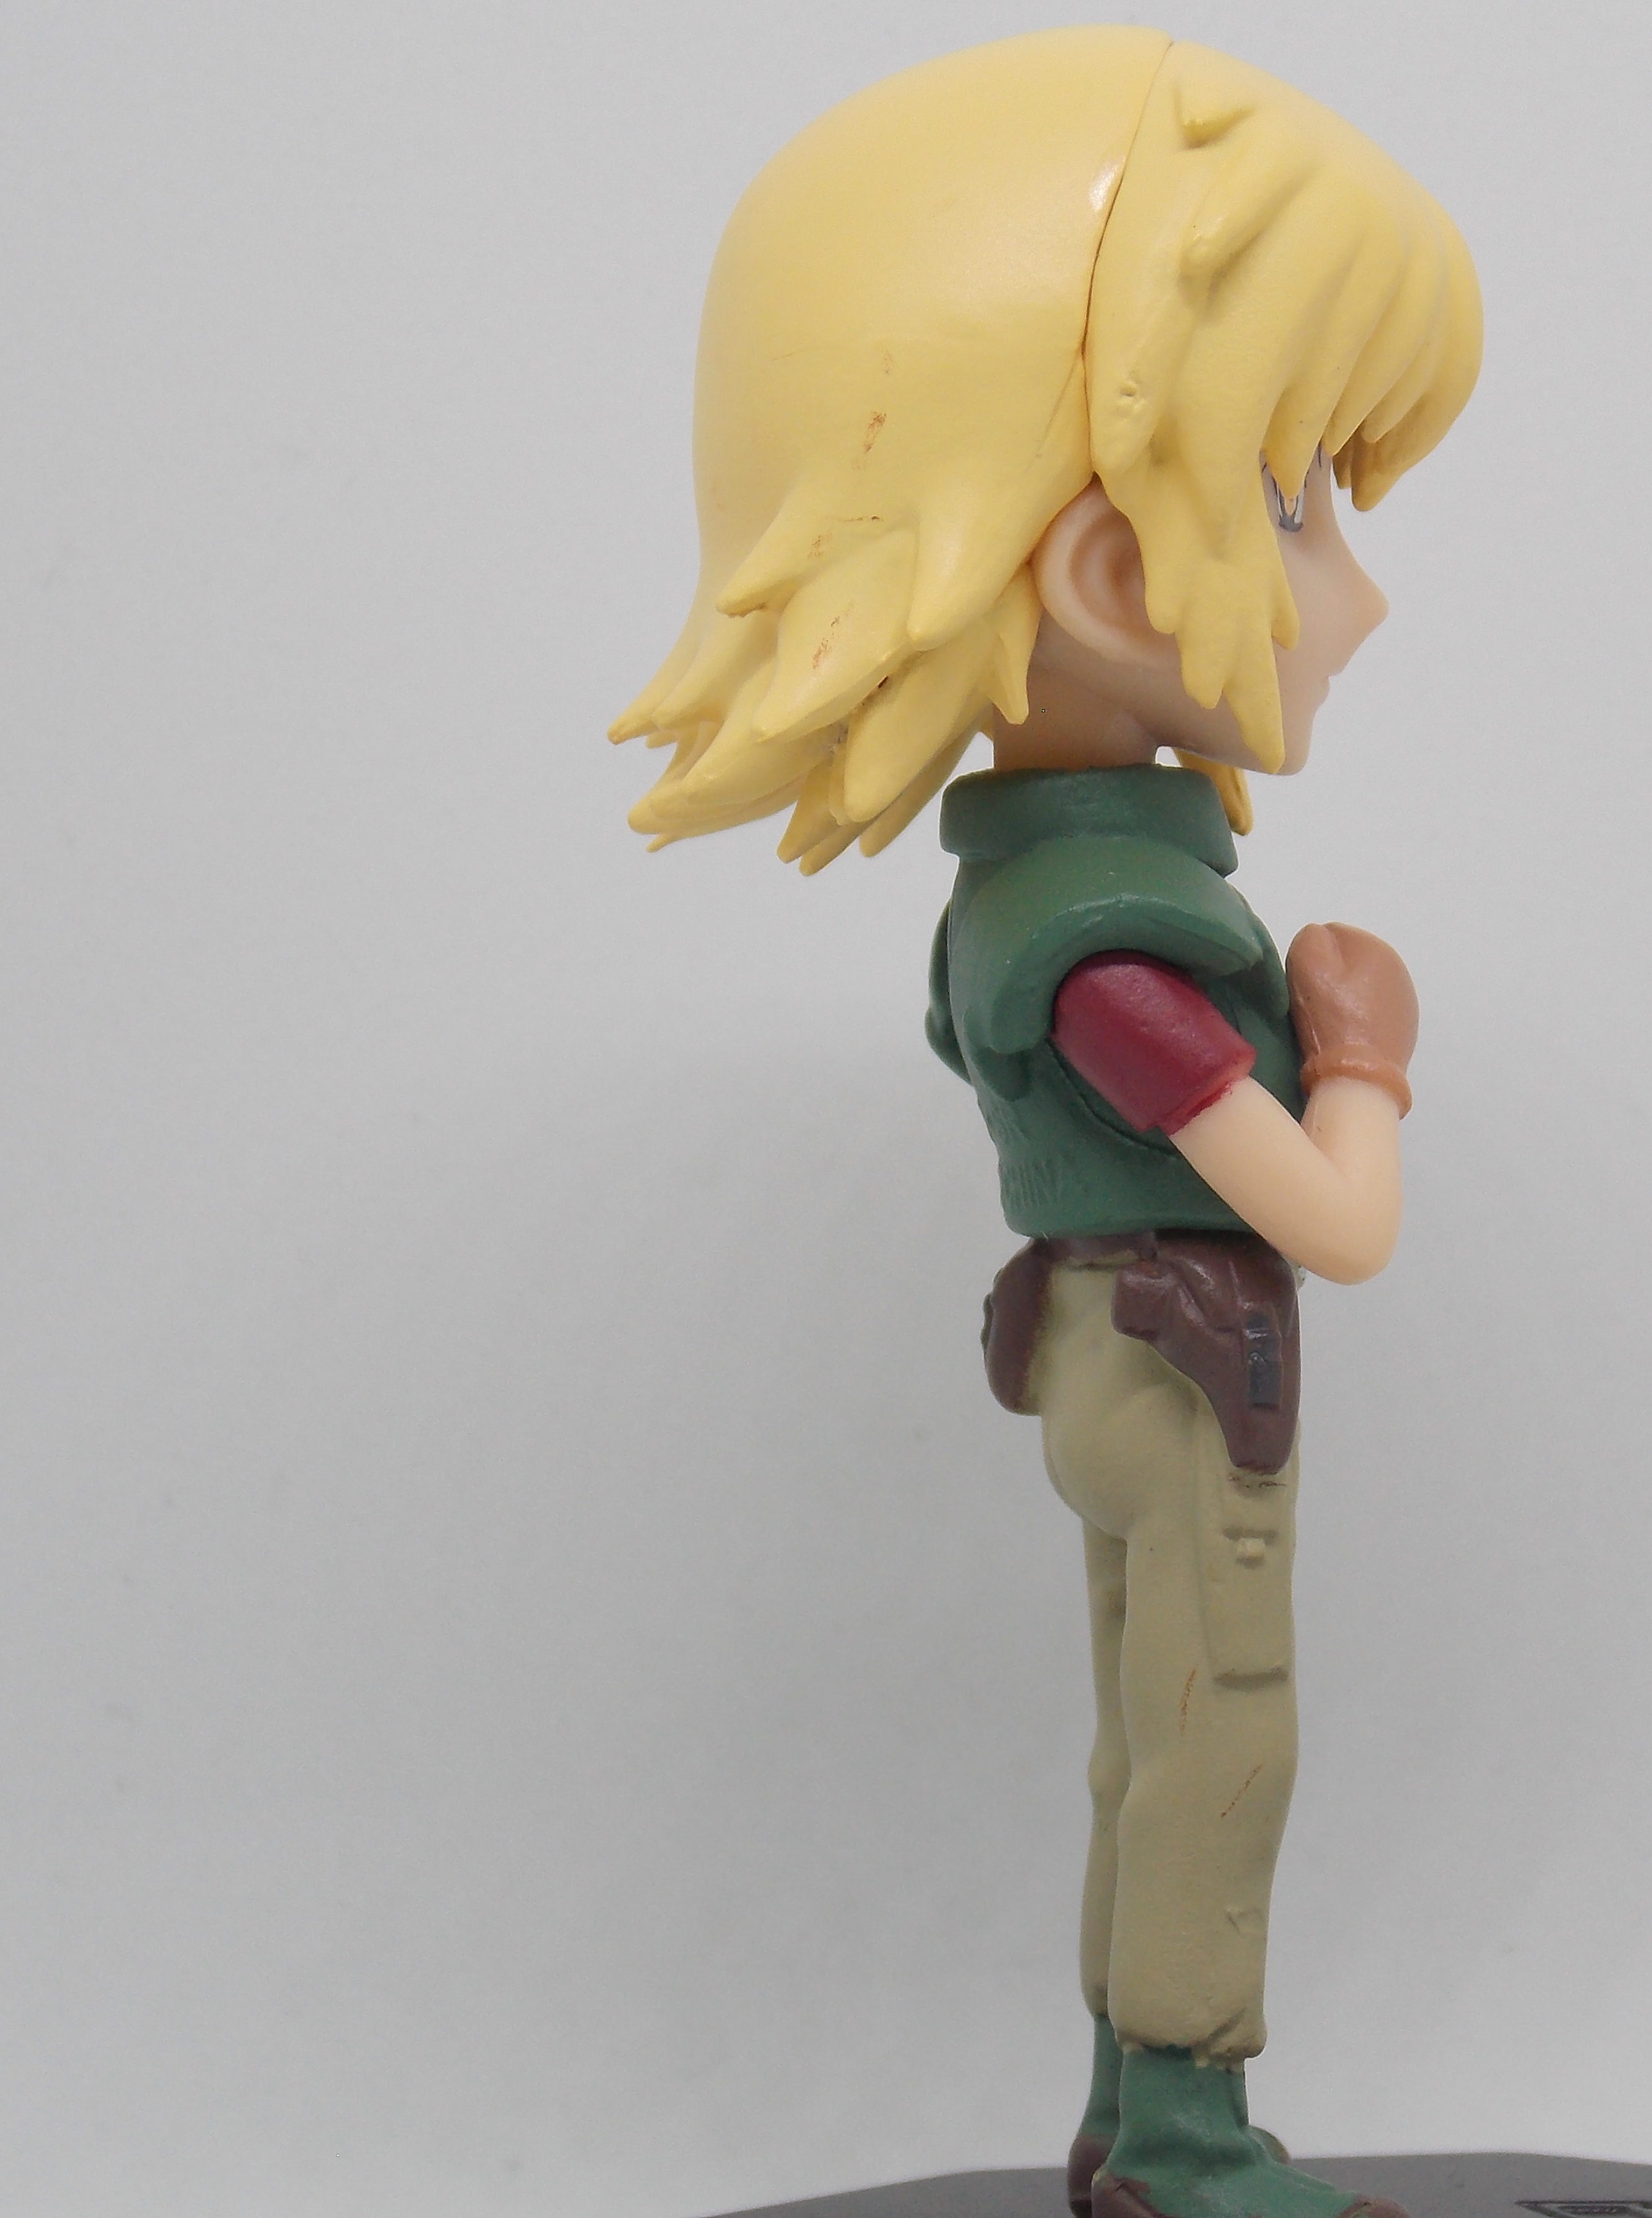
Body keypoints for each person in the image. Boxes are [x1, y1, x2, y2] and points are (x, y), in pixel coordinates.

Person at [605, 31, 1481, 2218]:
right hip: (1187, 1366)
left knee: (1147, 1736)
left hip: (1112, 1348)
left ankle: (1126, 2123)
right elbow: (1341, 1222)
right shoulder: (1115, 945)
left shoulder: (1037, 894)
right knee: (1217, 1737)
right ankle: (1181, 2142)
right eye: (1298, 505)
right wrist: (1364, 1052)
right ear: (1104, 576)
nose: (1360, 589)